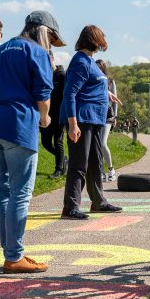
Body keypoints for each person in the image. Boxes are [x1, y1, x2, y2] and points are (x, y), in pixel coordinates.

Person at [0, 11, 56, 273]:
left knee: (2, 192)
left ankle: (11, 254)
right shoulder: (37, 52)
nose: (51, 42)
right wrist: (45, 117)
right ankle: (14, 256)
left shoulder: (0, 49)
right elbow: (42, 93)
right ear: (43, 31)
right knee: (20, 192)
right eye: (51, 36)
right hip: (16, 123)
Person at [61, 25, 123, 220]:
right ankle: (70, 207)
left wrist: (107, 93)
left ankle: (98, 202)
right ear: (94, 40)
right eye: (102, 38)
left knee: (96, 163)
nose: (104, 42)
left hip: (95, 120)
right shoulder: (80, 61)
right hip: (82, 119)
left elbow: (92, 84)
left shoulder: (89, 62)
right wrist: (73, 124)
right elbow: (70, 93)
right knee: (79, 164)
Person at [41, 53, 68, 177]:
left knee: (58, 141)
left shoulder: (62, 75)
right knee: (45, 142)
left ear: (52, 59)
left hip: (59, 115)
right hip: (46, 114)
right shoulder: (43, 75)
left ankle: (58, 169)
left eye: (48, 60)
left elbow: (67, 96)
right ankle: (63, 159)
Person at [95, 59, 118, 182]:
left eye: (100, 67)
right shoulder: (93, 80)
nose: (98, 69)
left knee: (103, 143)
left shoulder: (110, 82)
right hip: (96, 115)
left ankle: (111, 169)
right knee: (97, 145)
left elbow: (115, 101)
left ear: (103, 68)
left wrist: (115, 117)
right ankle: (101, 171)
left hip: (108, 116)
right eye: (96, 67)